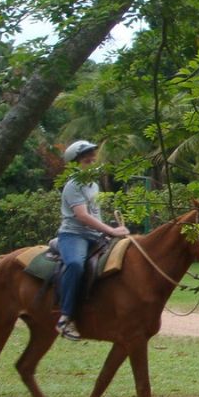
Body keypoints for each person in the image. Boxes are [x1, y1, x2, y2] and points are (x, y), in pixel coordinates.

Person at [56, 140, 129, 340]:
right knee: (75, 265)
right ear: (75, 163)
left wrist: (112, 231)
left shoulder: (94, 185)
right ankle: (66, 317)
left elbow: (95, 215)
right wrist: (111, 231)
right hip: (73, 235)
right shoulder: (73, 185)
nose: (91, 159)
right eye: (85, 158)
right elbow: (83, 216)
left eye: (92, 156)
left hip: (95, 236)